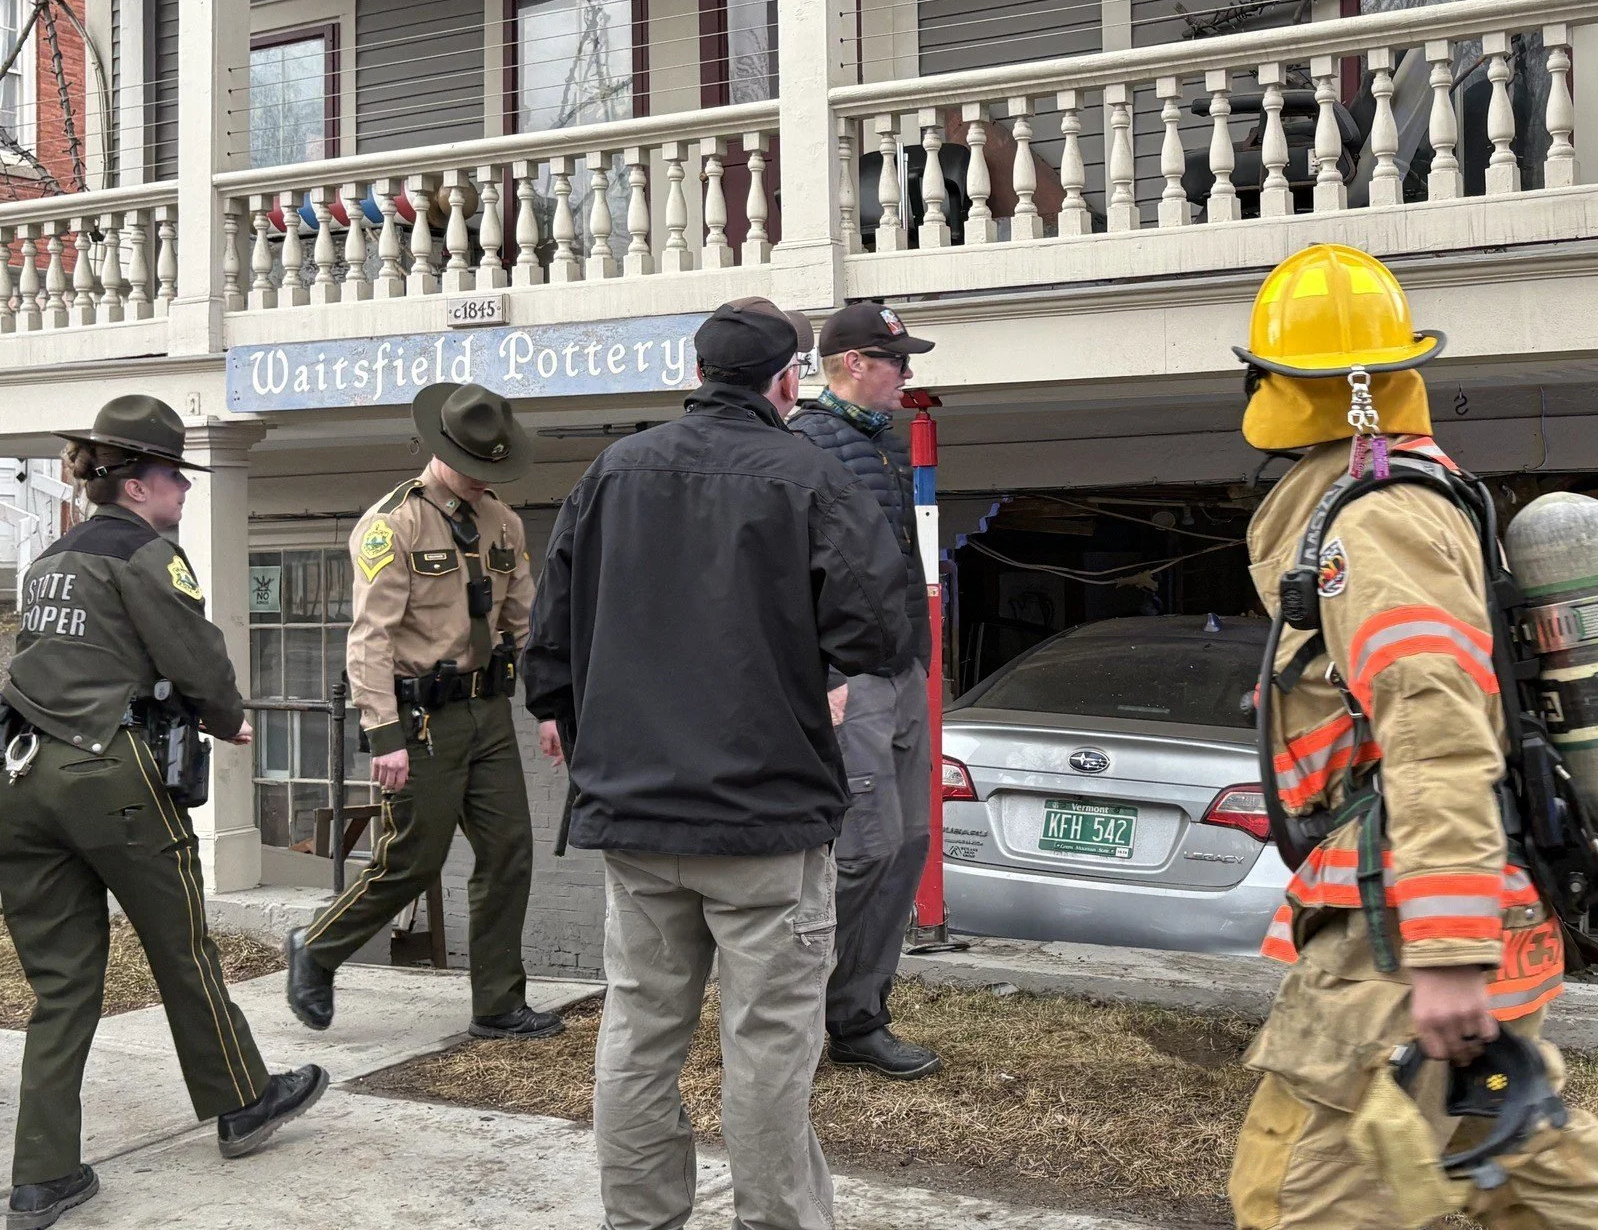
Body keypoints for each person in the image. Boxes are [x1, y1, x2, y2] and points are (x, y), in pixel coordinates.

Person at [1226, 245, 1598, 1229]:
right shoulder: (1380, 497)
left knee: (1311, 1203)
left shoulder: (1376, 520)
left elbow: (1438, 728)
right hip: (1395, 918)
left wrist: (1445, 952)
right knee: (1498, 1175)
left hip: (1402, 928)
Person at [526, 304, 914, 1230]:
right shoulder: (809, 476)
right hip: (765, 818)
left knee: (638, 1037)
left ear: (698, 371)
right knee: (768, 1054)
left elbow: (551, 631)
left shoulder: (612, 472)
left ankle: (640, 1218)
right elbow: (875, 629)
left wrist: (568, 717)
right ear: (786, 382)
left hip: (637, 813)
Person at [0, 397, 327, 1230]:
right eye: (177, 477)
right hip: (108, 773)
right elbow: (196, 657)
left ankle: (43, 1176)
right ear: (142, 483)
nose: (183, 491)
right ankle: (245, 1102)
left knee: (63, 984)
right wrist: (225, 715)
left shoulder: (49, 561)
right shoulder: (148, 554)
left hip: (21, 777)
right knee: (181, 947)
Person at [283, 383, 560, 1042]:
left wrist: (548, 705)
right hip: (422, 722)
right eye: (476, 466)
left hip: (488, 712)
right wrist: (383, 736)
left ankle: (497, 1004)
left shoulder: (503, 522)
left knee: (509, 854)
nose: (484, 479)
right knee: (411, 862)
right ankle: (316, 949)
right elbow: (369, 639)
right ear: (443, 449)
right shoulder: (393, 524)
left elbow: (522, 620)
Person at [787, 303, 942, 1080]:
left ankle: (857, 1015)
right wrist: (824, 678)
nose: (905, 372)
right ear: (850, 362)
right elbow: (786, 582)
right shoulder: (806, 446)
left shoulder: (872, 447)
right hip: (851, 678)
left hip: (898, 667)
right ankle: (807, 1015)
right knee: (864, 847)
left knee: (907, 842)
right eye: (894, 360)